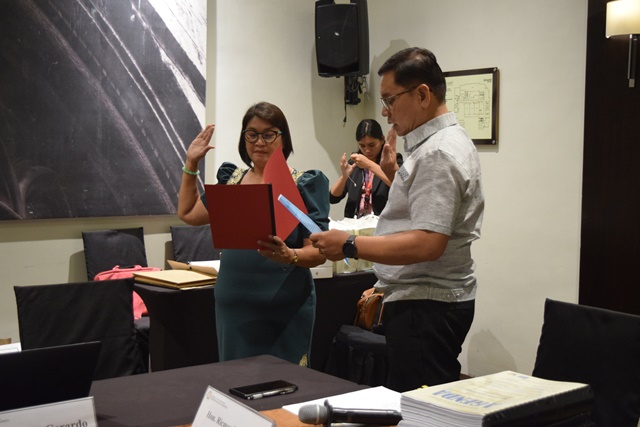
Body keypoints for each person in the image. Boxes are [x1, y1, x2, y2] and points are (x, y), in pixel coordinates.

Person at [310, 48, 484, 391]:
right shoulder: (440, 143)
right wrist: (395, 175)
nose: (385, 112)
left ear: (422, 95)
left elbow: (428, 243)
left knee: (421, 406)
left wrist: (349, 244)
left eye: (390, 100)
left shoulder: (437, 152)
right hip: (427, 302)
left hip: (427, 305)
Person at [177, 101, 330, 367]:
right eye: (252, 134)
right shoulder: (231, 181)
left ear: (283, 138)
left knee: (286, 382)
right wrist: (191, 163)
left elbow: (318, 252)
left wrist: (290, 255)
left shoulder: (304, 184)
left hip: (284, 307)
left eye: (268, 134)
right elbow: (188, 212)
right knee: (236, 382)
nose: (259, 142)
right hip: (234, 306)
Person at [329, 119, 403, 218]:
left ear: (382, 140)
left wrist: (368, 164)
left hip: (383, 222)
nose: (367, 150)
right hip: (356, 222)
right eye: (362, 146)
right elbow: (333, 198)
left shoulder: (393, 160)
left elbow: (402, 186)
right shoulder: (355, 162)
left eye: (372, 145)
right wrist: (344, 177)